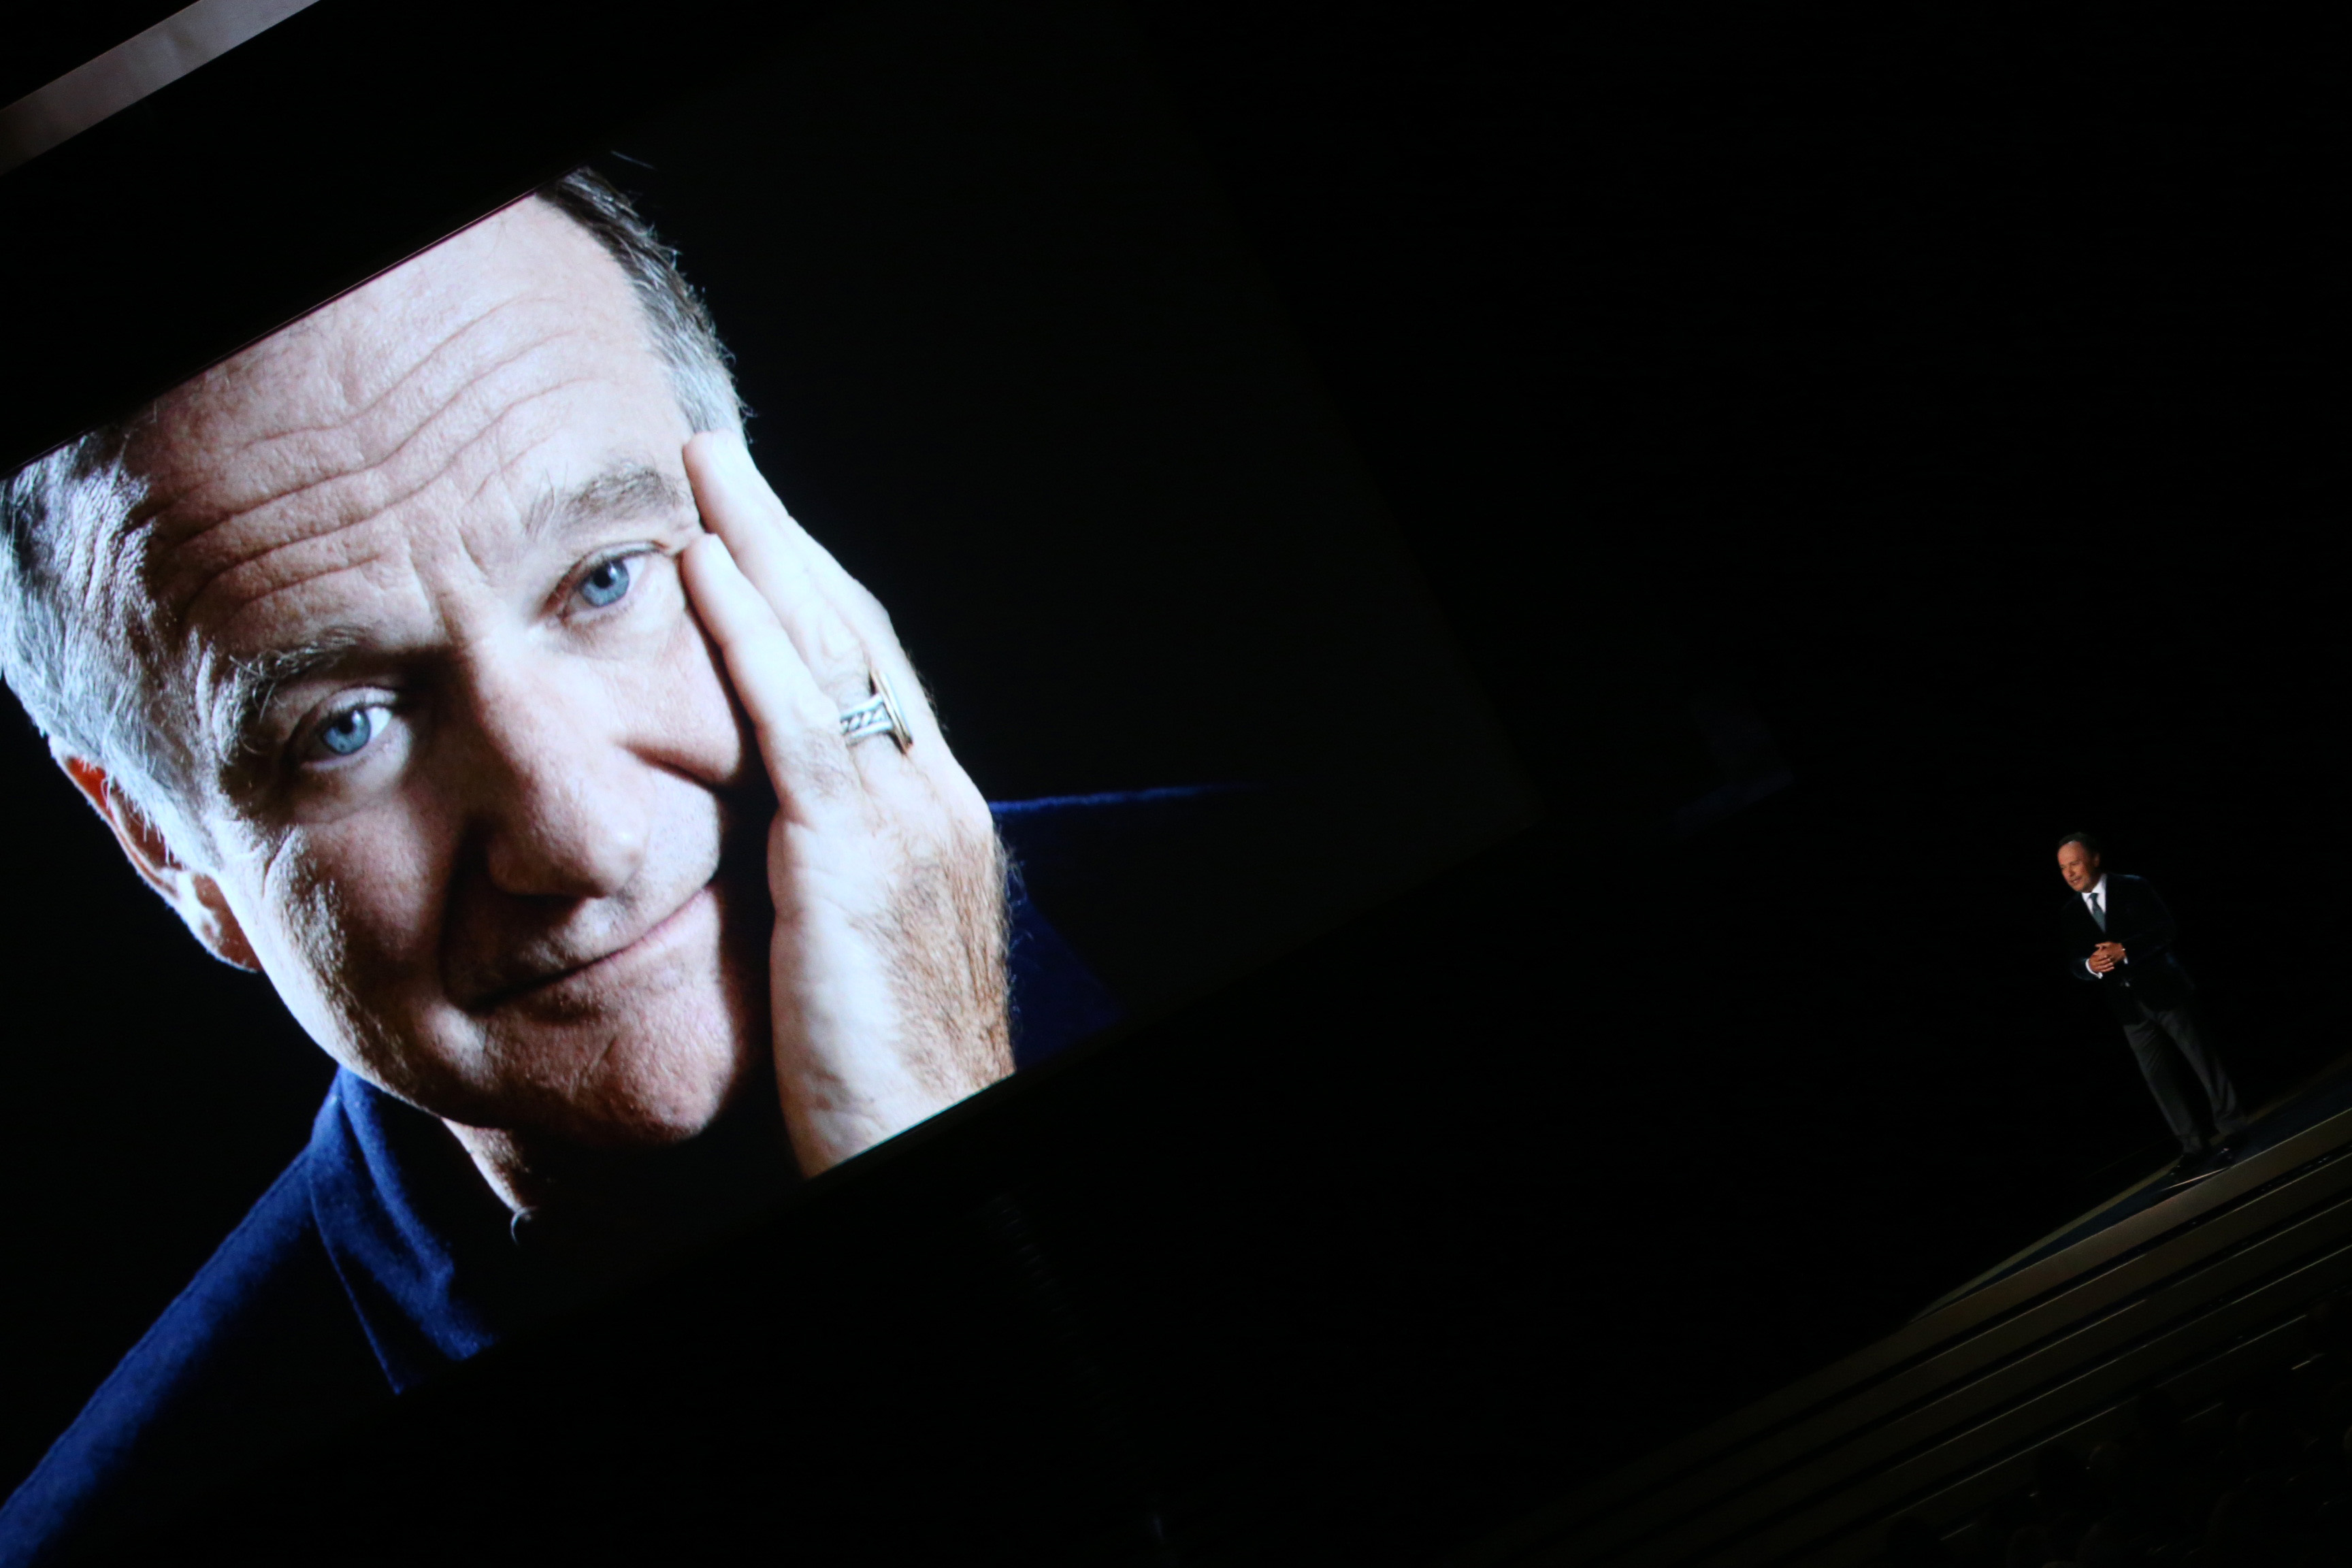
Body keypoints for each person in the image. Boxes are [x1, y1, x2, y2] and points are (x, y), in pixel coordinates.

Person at [0, 169, 1154, 1563]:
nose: (580, 839)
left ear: (773, 540)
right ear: (167, 851)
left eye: (606, 580)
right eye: (345, 728)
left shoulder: (1337, 862)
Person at [2057, 832, 2249, 1177]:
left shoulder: (2132, 887)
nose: (2070, 873)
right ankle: (2193, 1145)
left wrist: (2126, 950)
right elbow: (2074, 963)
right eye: (2063, 869)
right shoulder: (2071, 913)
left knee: (2201, 1060)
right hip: (2128, 1008)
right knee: (2158, 1078)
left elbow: (2165, 929)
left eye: (2075, 863)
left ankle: (2233, 1128)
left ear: (2095, 859)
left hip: (2165, 991)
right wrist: (2090, 967)